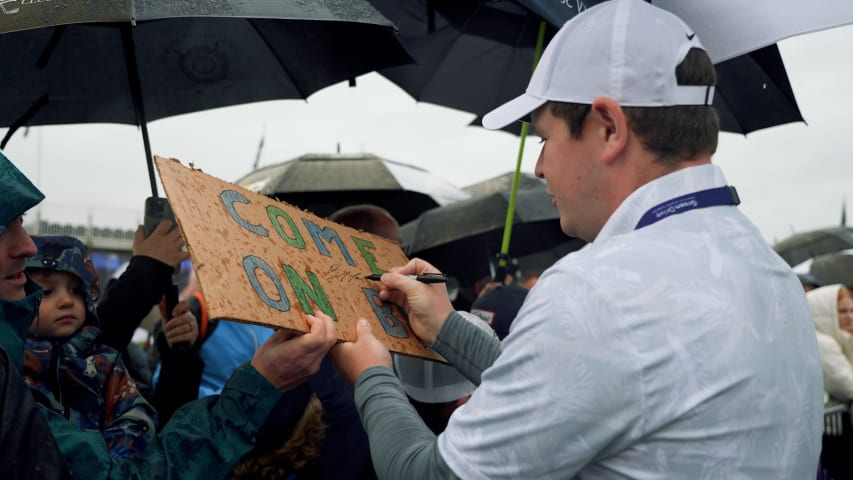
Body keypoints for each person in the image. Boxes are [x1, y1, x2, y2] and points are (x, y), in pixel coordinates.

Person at [330, 1, 823, 478]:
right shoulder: (767, 267)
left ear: (609, 128)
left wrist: (372, 375)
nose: (540, 167)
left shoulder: (598, 289)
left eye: (545, 137)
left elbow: (434, 474)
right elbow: (579, 392)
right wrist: (445, 329)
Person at [0, 150, 338, 478]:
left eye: (76, 291)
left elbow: (164, 426)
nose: (26, 245)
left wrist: (179, 356)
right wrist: (147, 271)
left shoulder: (110, 366)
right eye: (44, 291)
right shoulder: (17, 375)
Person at [24, 235, 159, 459]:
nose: (67, 301)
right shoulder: (13, 360)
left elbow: (135, 414)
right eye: (47, 292)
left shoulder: (104, 362)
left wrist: (112, 461)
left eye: (76, 291)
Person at [808, 284, 853, 402]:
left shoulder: (841, 339)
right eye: (842, 311)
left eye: (852, 310)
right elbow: (847, 385)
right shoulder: (823, 343)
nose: (850, 316)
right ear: (826, 313)